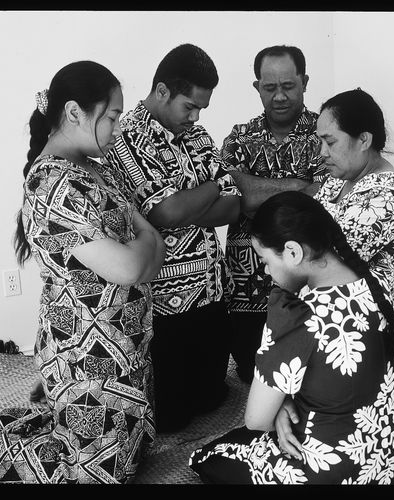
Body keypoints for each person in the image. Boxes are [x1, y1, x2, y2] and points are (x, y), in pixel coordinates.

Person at [0, 61, 166, 484]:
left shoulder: (95, 168)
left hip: (124, 341)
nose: (118, 128)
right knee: (98, 474)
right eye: (111, 116)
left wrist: (146, 246)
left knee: (131, 451)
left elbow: (148, 240)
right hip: (91, 354)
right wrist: (146, 246)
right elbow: (133, 260)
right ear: (73, 112)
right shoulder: (53, 185)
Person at [274, 88, 394, 459]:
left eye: (329, 141)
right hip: (331, 316)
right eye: (319, 141)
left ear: (364, 140)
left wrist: (288, 266)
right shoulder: (336, 182)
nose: (321, 152)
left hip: (368, 329)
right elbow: (302, 256)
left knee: (341, 440)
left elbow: (312, 267)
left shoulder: (388, 197)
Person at [189, 191, 394, 484]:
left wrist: (278, 405)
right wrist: (282, 404)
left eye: (265, 260)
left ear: (293, 252)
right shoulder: (378, 282)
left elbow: (256, 420)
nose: (266, 271)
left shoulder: (296, 313)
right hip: (386, 458)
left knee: (211, 456)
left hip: (330, 472)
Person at [105, 44, 241, 433]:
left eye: (202, 109)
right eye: (189, 106)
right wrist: (214, 186)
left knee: (212, 398)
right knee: (172, 418)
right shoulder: (126, 137)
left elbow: (233, 206)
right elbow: (163, 213)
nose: (196, 117)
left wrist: (190, 201)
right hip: (166, 305)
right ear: (162, 91)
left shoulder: (197, 135)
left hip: (212, 292)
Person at [220, 45, 326, 383]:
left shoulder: (326, 135)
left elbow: (323, 199)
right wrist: (298, 186)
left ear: (305, 82)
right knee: (254, 376)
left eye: (288, 86)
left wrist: (257, 189)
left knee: (312, 373)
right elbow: (237, 195)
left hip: (309, 284)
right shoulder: (239, 137)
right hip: (245, 287)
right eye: (269, 87)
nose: (279, 96)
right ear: (257, 88)